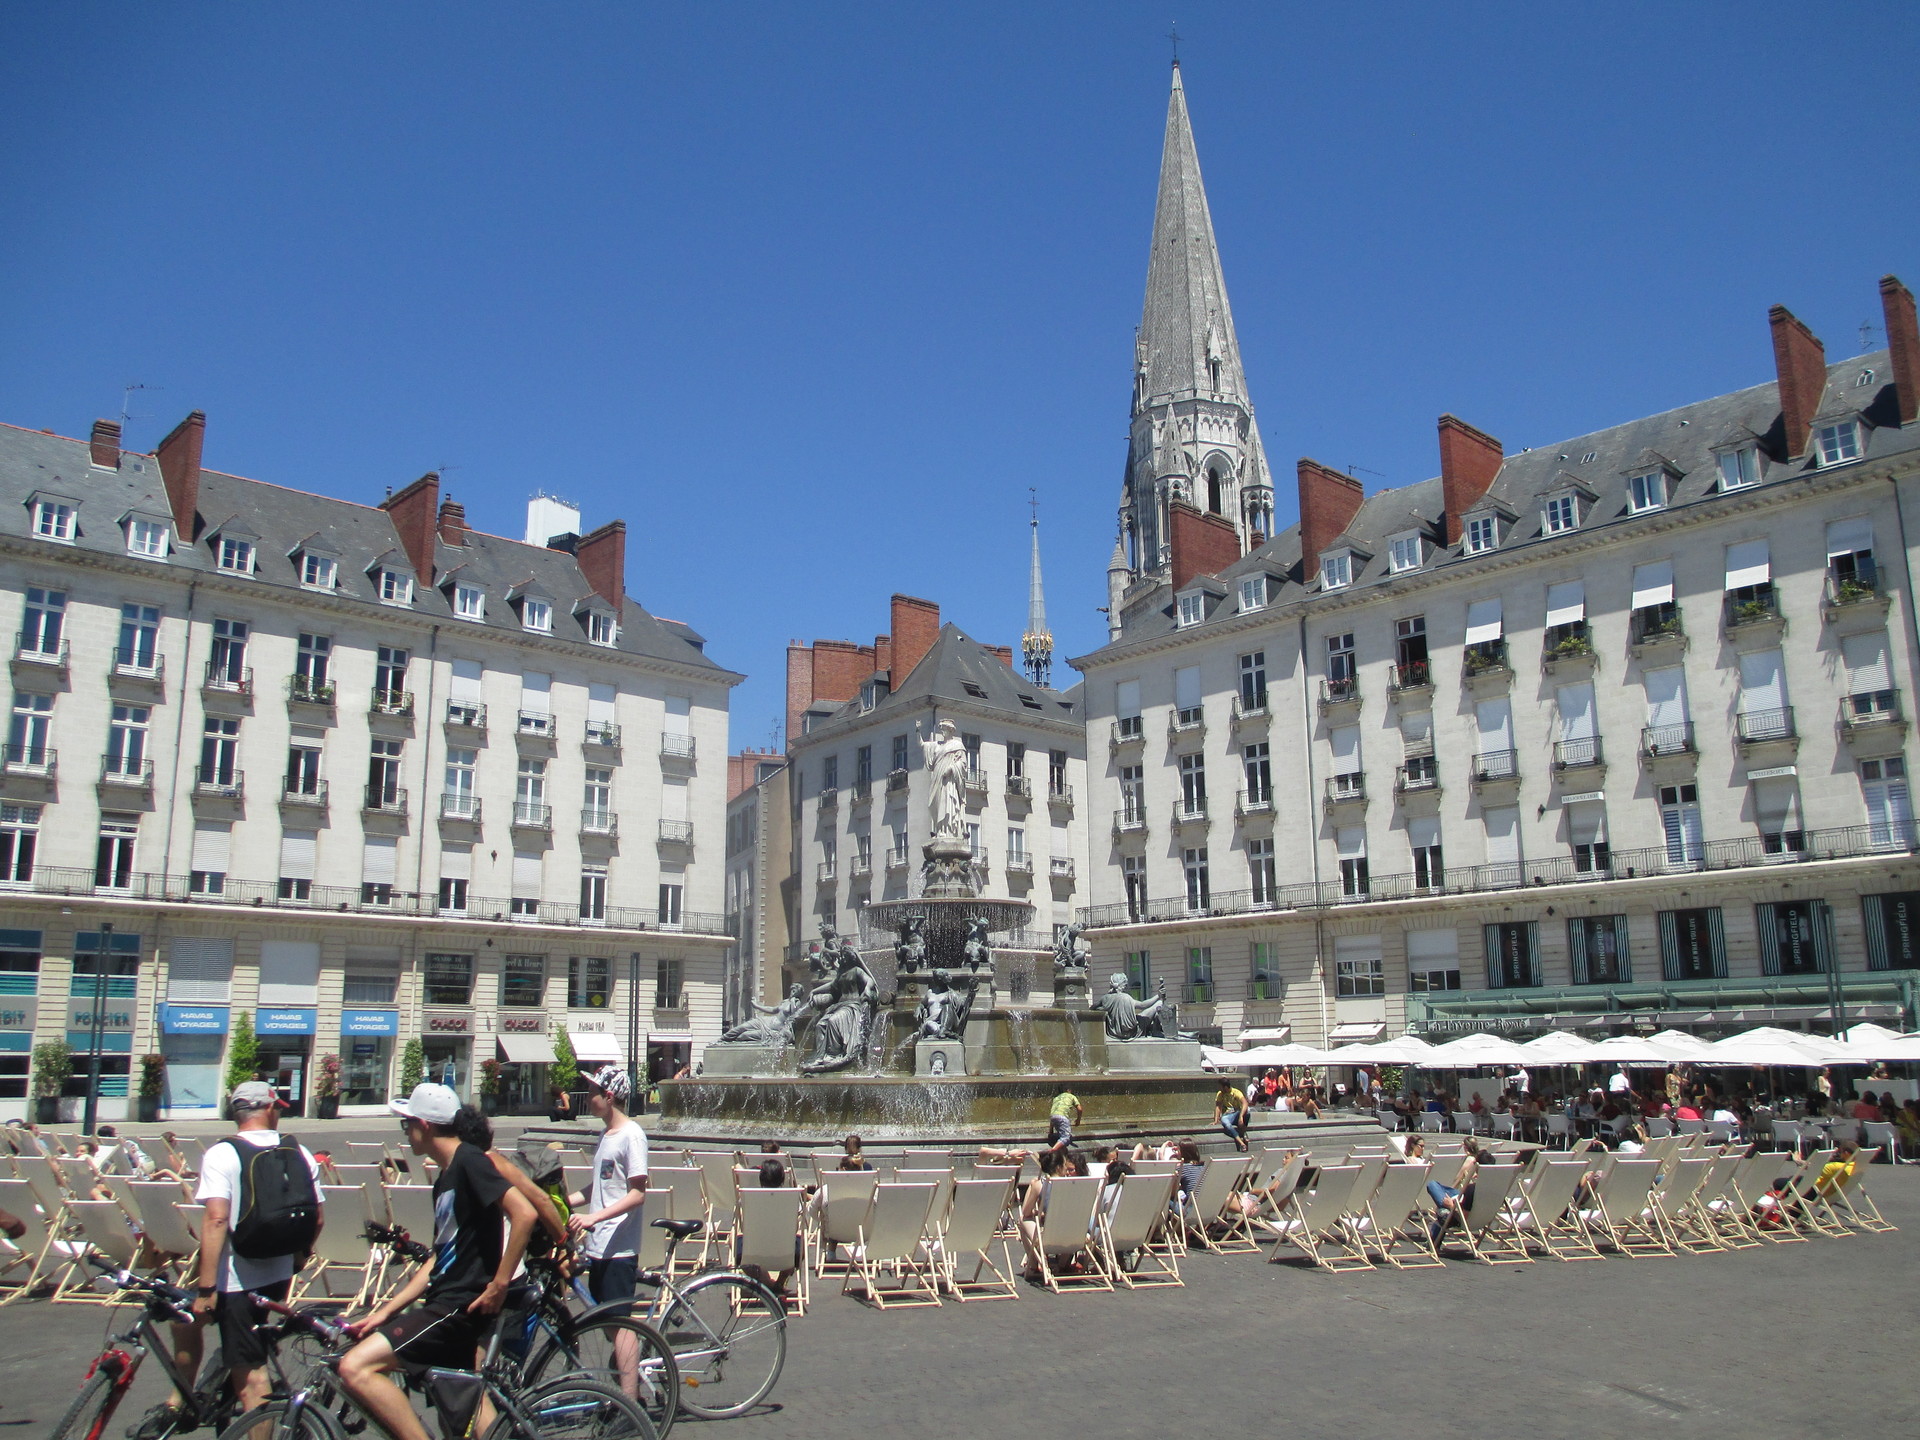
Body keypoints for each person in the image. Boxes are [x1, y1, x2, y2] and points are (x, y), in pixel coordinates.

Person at [338, 1084, 537, 1440]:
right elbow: (438, 1260)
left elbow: (524, 1213)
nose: (406, 1133)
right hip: (446, 1301)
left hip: (457, 1306)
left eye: (407, 1125)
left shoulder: (469, 1161)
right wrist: (386, 1310)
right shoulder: (447, 1176)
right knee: (473, 1411)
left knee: (355, 1367)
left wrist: (499, 1284)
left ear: (425, 1125)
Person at [160, 1081, 323, 1427]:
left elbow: (217, 1219)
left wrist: (207, 1289)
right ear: (268, 1108)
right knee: (186, 1322)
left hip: (236, 1278)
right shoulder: (299, 1151)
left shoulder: (223, 1153)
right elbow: (317, 1217)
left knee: (251, 1377)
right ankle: (186, 1399)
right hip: (278, 1272)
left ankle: (236, 1418)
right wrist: (299, 1257)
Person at [565, 1066, 650, 1312]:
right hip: (599, 1244)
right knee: (607, 1323)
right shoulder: (606, 1134)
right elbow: (601, 1186)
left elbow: (637, 1194)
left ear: (609, 1097)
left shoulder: (631, 1136)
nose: (588, 1096)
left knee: (619, 1327)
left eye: (593, 1091)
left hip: (619, 1247)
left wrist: (593, 1217)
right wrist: (565, 1201)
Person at [1214, 1077, 1251, 1152]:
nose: (1219, 1088)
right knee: (1225, 1121)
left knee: (1248, 1111)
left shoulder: (1236, 1092)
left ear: (1225, 1087)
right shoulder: (1220, 1094)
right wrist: (1216, 1120)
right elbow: (1218, 1107)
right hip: (1227, 1116)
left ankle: (1243, 1132)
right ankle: (1241, 1142)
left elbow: (1245, 1103)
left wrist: (1240, 1116)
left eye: (1220, 1087)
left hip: (1237, 1114)